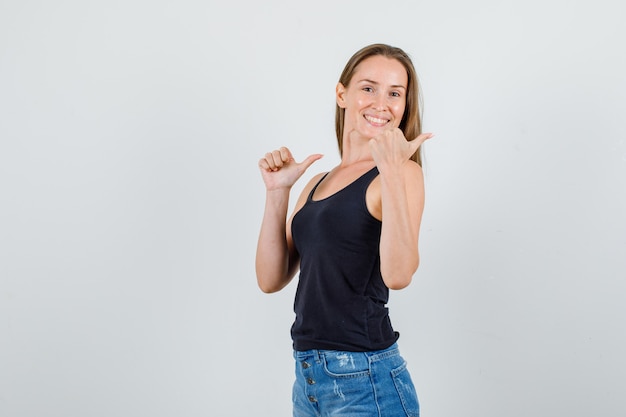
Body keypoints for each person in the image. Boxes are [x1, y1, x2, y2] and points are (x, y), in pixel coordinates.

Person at [256, 43, 433, 417]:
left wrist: (390, 170)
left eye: (395, 93)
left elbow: (399, 275)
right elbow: (270, 279)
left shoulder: (403, 173)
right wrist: (278, 192)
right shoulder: (319, 181)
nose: (381, 103)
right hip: (308, 379)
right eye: (368, 88)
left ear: (404, 105)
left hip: (366, 379)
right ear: (342, 94)